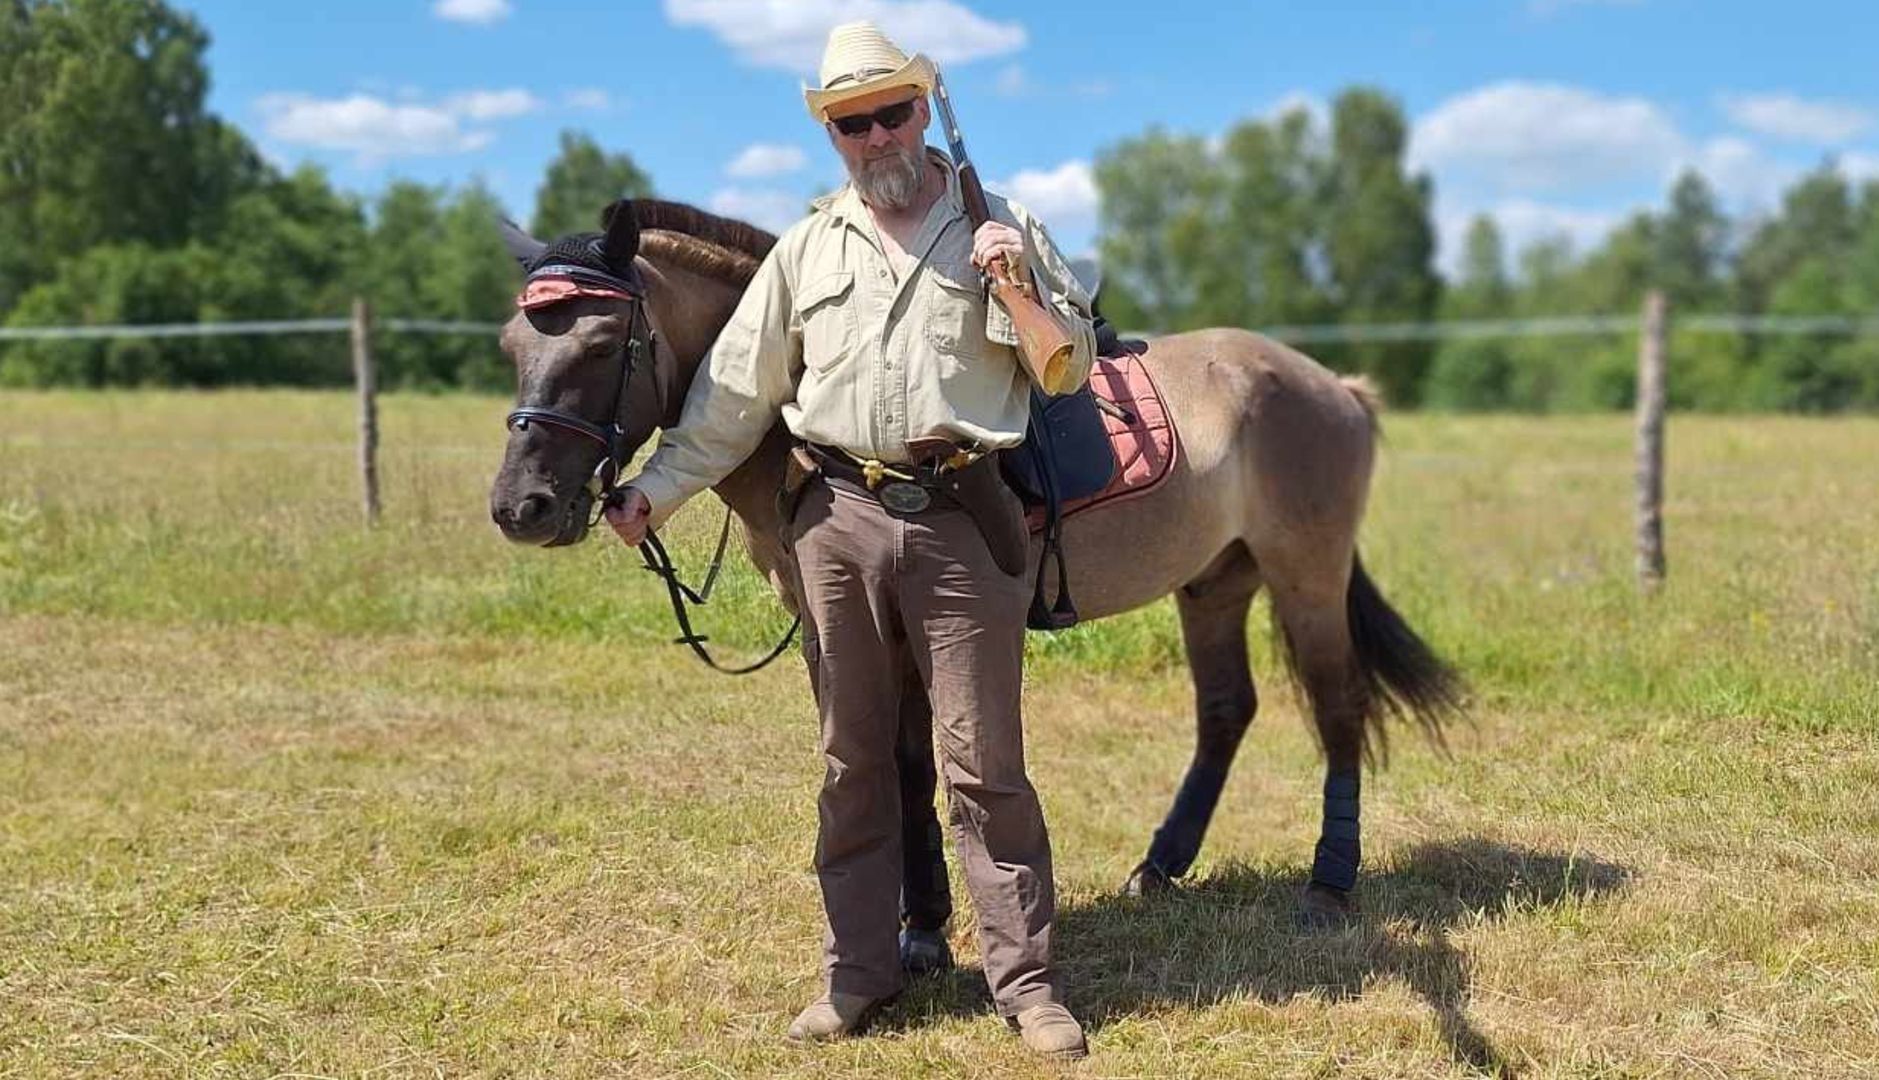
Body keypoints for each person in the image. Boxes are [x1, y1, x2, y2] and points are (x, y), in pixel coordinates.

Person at [602, 20, 1096, 1059]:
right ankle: (858, 974)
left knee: (982, 765)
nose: (875, 136)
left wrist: (1024, 282)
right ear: (830, 132)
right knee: (852, 762)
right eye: (850, 122)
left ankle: (1028, 985)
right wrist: (657, 488)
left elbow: (1068, 367)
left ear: (924, 112)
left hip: (963, 519)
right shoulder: (810, 245)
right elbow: (734, 393)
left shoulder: (999, 225)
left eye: (891, 112)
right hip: (833, 520)